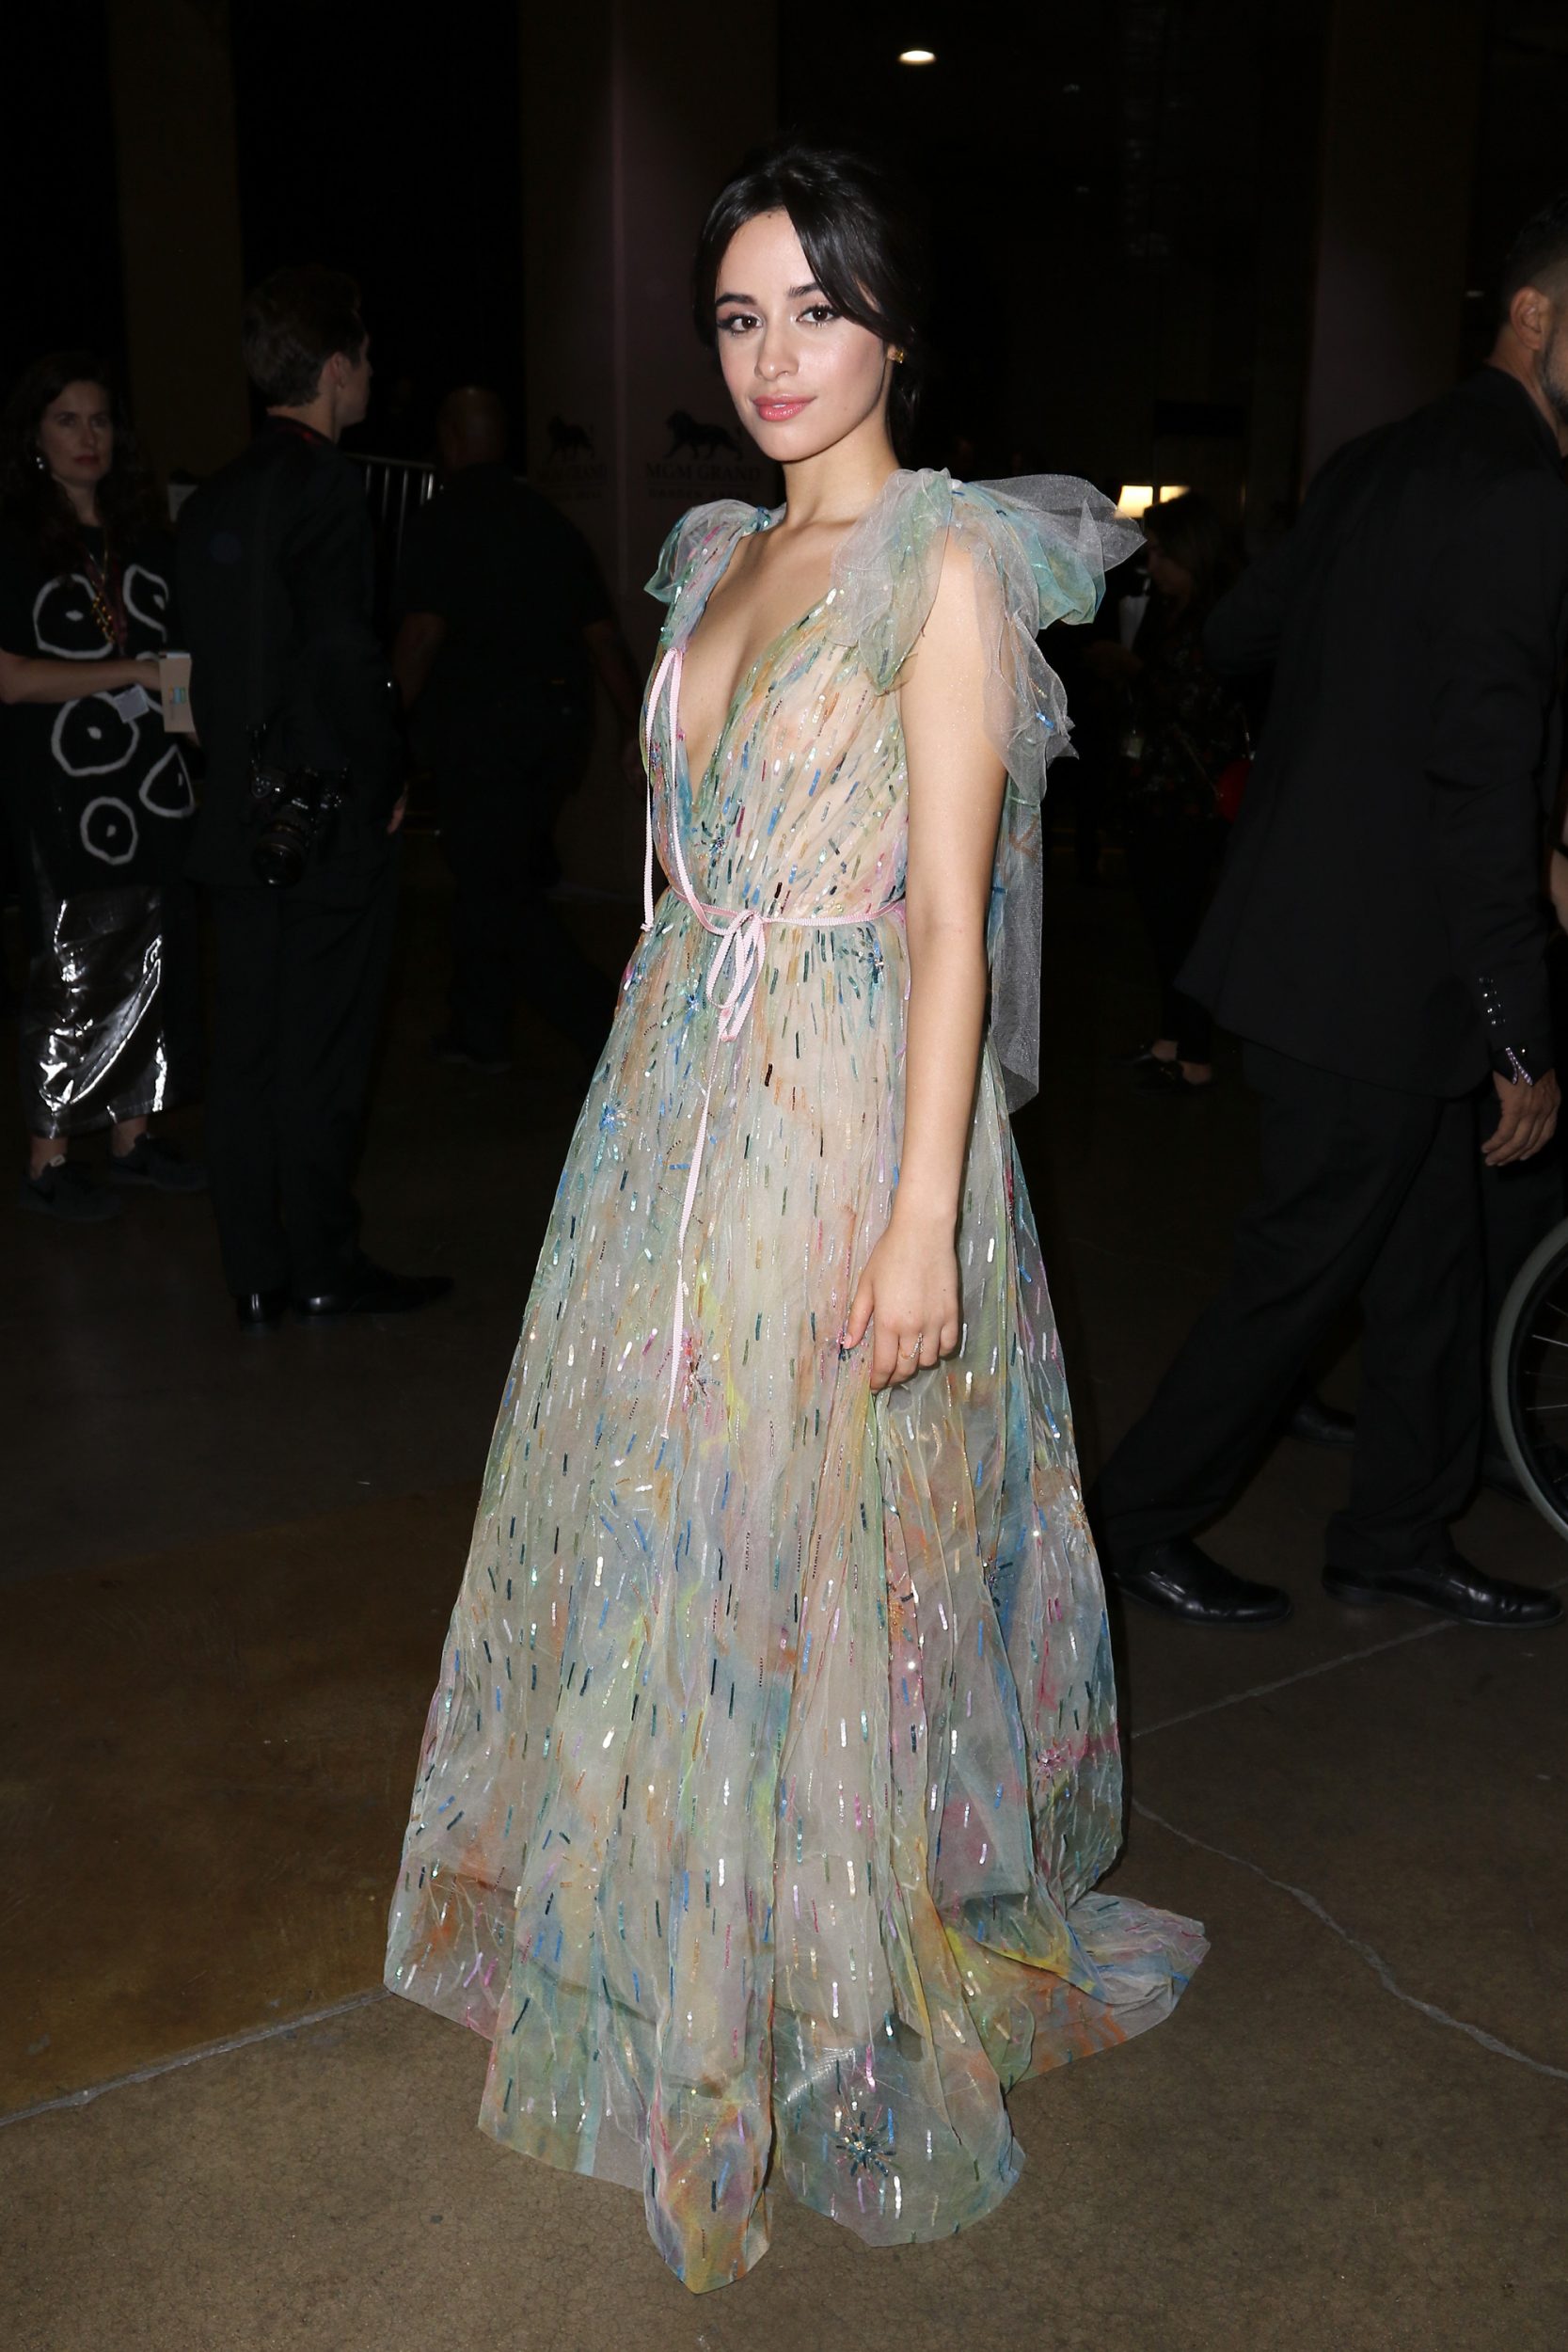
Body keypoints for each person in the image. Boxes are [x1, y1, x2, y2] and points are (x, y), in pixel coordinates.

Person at [385, 142, 1204, 2293]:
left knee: (811, 1554)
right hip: (674, 1098)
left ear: (893, 328)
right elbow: (680, 870)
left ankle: (815, 1967)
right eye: (740, 318)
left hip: (841, 1110)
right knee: (668, 1523)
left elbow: (949, 922)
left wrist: (920, 1213)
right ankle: (686, 1929)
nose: (772, 357)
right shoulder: (719, 553)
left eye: (813, 312)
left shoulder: (940, 564)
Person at [1094, 191, 1568, 1632]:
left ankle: (1393, 1533)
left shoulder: (1378, 459)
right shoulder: (1519, 490)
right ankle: (1126, 1525)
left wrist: (1347, 729)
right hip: (1375, 976)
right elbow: (1478, 784)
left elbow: (1242, 634)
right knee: (1296, 1273)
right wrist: (1519, 1032)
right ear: (1532, 314)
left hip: (1331, 950)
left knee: (1430, 1263)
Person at [178, 267, 451, 1329]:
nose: (373, 375)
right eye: (367, 358)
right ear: (336, 369)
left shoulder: (214, 496)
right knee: (322, 1051)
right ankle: (325, 1263)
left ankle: (254, 1270)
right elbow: (343, 658)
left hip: (234, 817)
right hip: (322, 821)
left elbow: (210, 666)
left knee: (247, 1049)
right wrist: (384, 780)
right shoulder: (327, 487)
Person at [0, 352, 203, 1221]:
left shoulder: (146, 541)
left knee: (155, 954)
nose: (88, 437)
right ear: (35, 438)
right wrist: (132, 672)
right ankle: (47, 1158)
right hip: (63, 788)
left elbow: (178, 661)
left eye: (99, 420)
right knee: (74, 964)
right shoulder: (17, 544)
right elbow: (11, 678)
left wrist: (192, 743)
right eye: (67, 420)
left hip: (151, 784)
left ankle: (133, 1137)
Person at [391, 387, 642, 1074]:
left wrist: (384, 726)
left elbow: (420, 636)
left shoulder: (442, 522)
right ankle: (480, 1029)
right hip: (553, 738)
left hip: (480, 740)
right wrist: (637, 727)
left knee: (498, 892)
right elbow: (604, 640)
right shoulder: (548, 523)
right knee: (491, 880)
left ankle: (613, 1036)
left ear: (449, 438)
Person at [1092, 493, 1248, 1094]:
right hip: (1155, 791)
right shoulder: (1169, 610)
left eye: (1160, 552)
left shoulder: (1221, 620)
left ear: (1191, 552)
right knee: (1162, 927)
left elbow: (1201, 707)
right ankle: (1171, 1039)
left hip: (1191, 799)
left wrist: (1134, 671)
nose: (1151, 565)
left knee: (1185, 929)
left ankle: (1195, 1055)